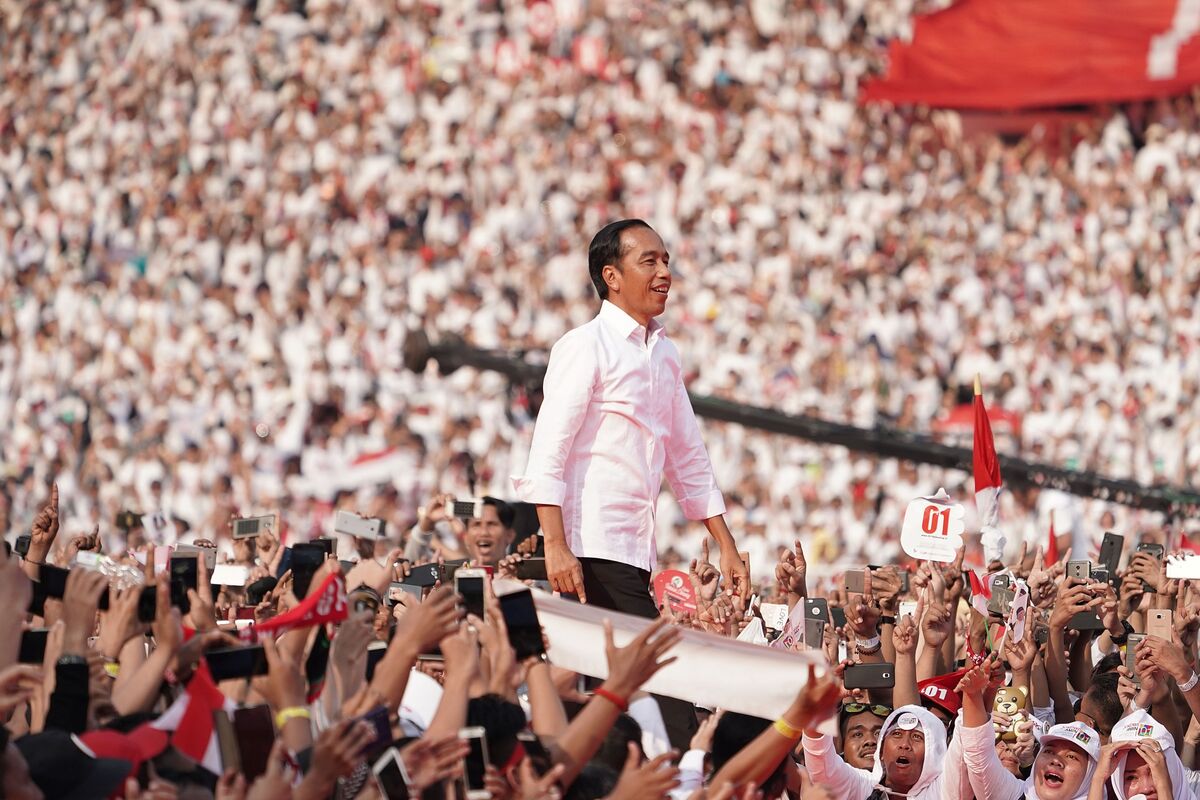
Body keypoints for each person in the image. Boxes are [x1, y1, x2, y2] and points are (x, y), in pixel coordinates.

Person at [512, 219, 749, 611]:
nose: (665, 273)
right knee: (646, 664)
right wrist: (554, 545)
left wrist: (728, 545)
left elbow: (687, 454)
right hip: (590, 547)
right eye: (649, 261)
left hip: (639, 550)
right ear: (612, 276)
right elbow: (548, 452)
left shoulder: (664, 353)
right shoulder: (585, 345)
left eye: (666, 261)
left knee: (611, 670)